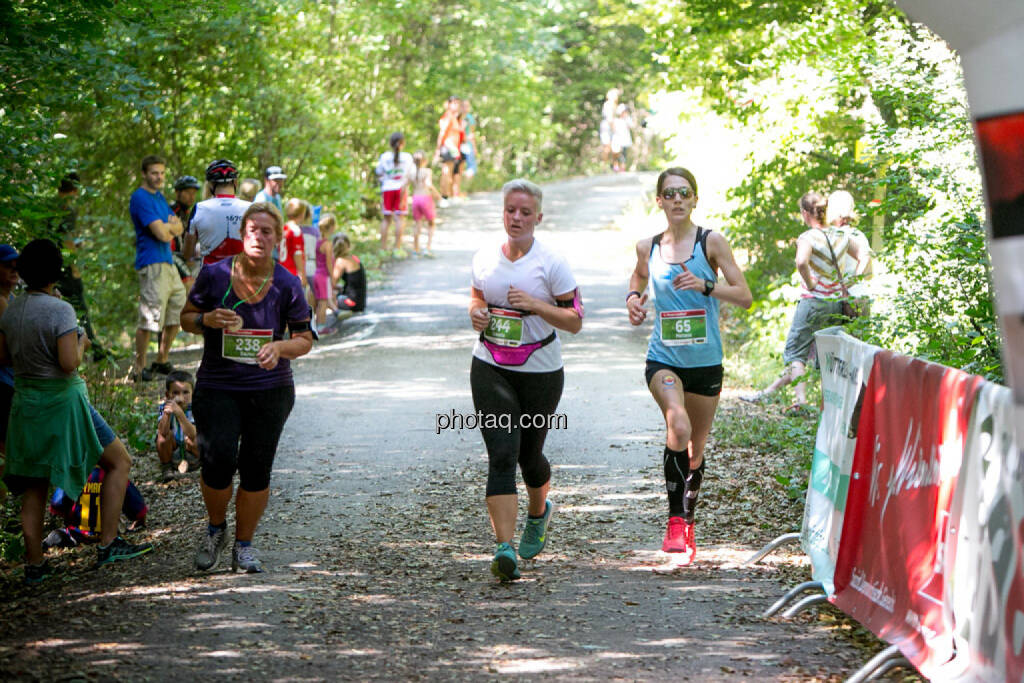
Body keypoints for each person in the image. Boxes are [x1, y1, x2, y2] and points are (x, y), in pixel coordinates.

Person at [0, 239, 153, 583]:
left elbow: (2, 358)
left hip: (26, 404)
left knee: (34, 486)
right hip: (64, 403)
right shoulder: (61, 310)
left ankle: (35, 565)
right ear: (56, 272)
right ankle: (109, 543)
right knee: (119, 461)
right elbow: (69, 363)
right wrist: (81, 339)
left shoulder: (12, 310)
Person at [626, 168, 752, 564]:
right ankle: (675, 522)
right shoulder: (647, 245)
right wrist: (634, 297)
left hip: (705, 362)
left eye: (685, 193)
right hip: (664, 358)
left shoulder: (710, 242)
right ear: (659, 201)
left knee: (695, 450)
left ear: (694, 199)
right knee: (676, 424)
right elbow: (640, 275)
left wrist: (706, 286)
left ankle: (689, 521)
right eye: (670, 193)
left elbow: (745, 296)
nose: (677, 199)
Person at [180, 202, 313, 573]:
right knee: (217, 461)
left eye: (266, 231)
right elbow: (185, 319)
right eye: (252, 230)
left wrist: (279, 347)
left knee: (257, 469)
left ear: (277, 238)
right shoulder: (214, 275)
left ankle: (244, 545)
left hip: (270, 389)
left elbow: (304, 339)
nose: (258, 236)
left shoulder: (287, 284)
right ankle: (215, 529)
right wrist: (206, 319)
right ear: (242, 235)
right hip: (218, 385)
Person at [468, 179, 584, 582]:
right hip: (490, 365)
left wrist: (535, 304)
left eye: (524, 212)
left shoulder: (552, 262)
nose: (516, 218)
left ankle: (539, 511)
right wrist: (477, 313)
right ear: (502, 212)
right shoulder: (485, 257)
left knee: (528, 457)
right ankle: (504, 548)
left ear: (538, 216)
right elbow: (477, 297)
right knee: (502, 454)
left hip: (540, 373)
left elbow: (575, 321)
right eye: (509, 210)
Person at [741, 191, 869, 411]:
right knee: (827, 355)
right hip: (835, 303)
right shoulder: (840, 235)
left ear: (804, 213)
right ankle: (827, 404)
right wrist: (851, 280)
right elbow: (863, 255)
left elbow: (801, 261)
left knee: (796, 353)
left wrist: (810, 282)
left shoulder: (808, 237)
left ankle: (801, 401)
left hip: (813, 301)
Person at [129, 155, 187, 382]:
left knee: (177, 309)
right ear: (144, 174)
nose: (159, 177)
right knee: (150, 317)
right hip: (151, 263)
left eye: (162, 173)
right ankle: (139, 367)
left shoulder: (160, 197)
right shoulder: (140, 198)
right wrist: (169, 227)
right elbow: (162, 233)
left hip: (169, 262)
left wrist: (170, 227)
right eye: (154, 173)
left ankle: (161, 360)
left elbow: (179, 227)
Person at [51, 173, 109, 361]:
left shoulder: (49, 206)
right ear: (74, 190)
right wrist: (73, 266)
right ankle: (93, 347)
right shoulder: (66, 209)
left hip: (47, 266)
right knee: (79, 304)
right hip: (62, 268)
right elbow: (67, 241)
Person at [44, 467, 149, 548]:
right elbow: (138, 508)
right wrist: (140, 520)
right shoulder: (115, 476)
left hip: (76, 533)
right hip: (107, 533)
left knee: (57, 534)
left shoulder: (73, 476)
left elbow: (56, 504)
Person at [182, 159, 250, 269]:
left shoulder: (199, 208)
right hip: (243, 275)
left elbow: (187, 253)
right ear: (235, 182)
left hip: (210, 276)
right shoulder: (250, 208)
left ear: (210, 185)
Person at [828, 190, 873, 317]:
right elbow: (869, 274)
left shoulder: (833, 236)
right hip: (862, 296)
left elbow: (865, 258)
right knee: (860, 337)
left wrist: (848, 286)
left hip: (843, 301)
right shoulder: (859, 235)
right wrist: (856, 280)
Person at [375, 132, 415, 252]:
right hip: (401, 189)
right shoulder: (407, 157)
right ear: (403, 143)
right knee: (400, 218)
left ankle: (383, 247)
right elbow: (411, 175)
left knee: (386, 218)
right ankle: (397, 247)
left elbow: (378, 172)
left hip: (387, 188)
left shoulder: (384, 157)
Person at [156, 369, 198, 482]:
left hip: (192, 448)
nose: (181, 397)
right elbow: (162, 432)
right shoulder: (163, 407)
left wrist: (179, 413)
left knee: (197, 439)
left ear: (193, 393)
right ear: (167, 394)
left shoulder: (196, 408)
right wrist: (167, 414)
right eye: (175, 393)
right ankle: (167, 467)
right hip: (174, 445)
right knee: (162, 438)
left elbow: (192, 434)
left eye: (185, 392)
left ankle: (201, 462)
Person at [0, 244, 18, 464]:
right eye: (7, 266)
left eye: (17, 266)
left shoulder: (12, 299)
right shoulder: (1, 302)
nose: (14, 270)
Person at [171, 175, 202, 291]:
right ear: (177, 193)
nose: (191, 197)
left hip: (184, 256)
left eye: (193, 193)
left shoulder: (188, 213)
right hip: (170, 256)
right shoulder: (170, 211)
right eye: (188, 193)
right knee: (189, 285)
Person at [411, 151, 443, 257]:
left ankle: (416, 249)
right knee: (431, 223)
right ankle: (427, 248)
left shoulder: (410, 172)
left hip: (415, 199)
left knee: (417, 223)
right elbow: (429, 185)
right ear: (425, 161)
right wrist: (438, 195)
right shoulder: (427, 171)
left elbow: (403, 187)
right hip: (425, 199)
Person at [312, 212, 338, 334]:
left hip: (317, 274)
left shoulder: (318, 242)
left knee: (320, 302)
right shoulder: (328, 244)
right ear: (331, 227)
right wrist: (333, 277)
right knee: (323, 301)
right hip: (324, 276)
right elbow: (329, 263)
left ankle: (319, 325)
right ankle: (321, 326)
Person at [435, 96, 464, 203]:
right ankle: (444, 196)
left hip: (454, 149)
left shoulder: (455, 118)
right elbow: (442, 133)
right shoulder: (447, 116)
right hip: (447, 147)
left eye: (458, 103)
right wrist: (438, 150)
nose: (457, 106)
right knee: (446, 172)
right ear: (449, 104)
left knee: (451, 172)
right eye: (454, 103)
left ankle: (449, 195)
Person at [332, 233, 366, 315]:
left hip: (351, 303)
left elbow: (332, 283)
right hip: (360, 302)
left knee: (323, 297)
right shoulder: (354, 258)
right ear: (348, 245)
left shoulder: (341, 261)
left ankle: (320, 321)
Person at [279, 198, 308, 291]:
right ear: (302, 213)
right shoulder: (296, 230)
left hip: (282, 272)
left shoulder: (283, 228)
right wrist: (302, 275)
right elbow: (297, 255)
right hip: (293, 274)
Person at [459, 98, 479, 195]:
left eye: (467, 106)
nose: (465, 108)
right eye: (463, 106)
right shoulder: (465, 118)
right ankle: (462, 189)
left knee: (463, 167)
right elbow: (470, 135)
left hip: (462, 145)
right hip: (464, 145)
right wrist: (474, 147)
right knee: (470, 167)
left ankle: (462, 189)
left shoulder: (467, 117)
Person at [600, 88, 620, 167]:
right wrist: (613, 128)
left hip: (612, 126)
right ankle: (604, 165)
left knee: (615, 147)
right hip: (608, 126)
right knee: (607, 146)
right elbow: (609, 118)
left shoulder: (614, 105)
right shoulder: (608, 104)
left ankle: (614, 165)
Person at [611, 103, 633, 172]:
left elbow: (631, 126)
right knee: (617, 153)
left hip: (625, 139)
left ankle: (623, 167)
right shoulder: (616, 120)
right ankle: (615, 165)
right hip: (617, 139)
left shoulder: (628, 119)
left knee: (624, 153)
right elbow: (614, 129)